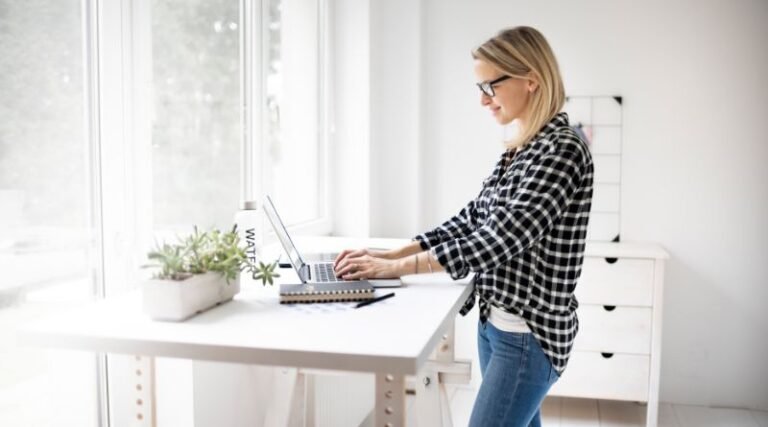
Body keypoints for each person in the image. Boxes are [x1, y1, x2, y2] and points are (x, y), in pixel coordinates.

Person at [333, 26, 593, 427]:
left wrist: (395, 270)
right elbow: (472, 218)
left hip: (528, 337)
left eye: (490, 85)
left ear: (531, 80)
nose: (483, 100)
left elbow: (499, 239)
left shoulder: (562, 149)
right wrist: (393, 254)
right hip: (497, 327)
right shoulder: (522, 148)